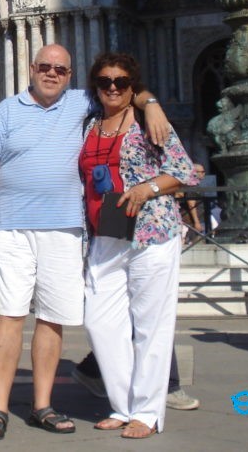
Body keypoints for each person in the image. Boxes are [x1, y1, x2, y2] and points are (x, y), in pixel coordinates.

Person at [0, 43, 168, 440]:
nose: (51, 74)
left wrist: (152, 104)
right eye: (45, 67)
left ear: (70, 76)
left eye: (60, 70)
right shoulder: (6, 111)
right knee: (9, 315)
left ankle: (42, 405)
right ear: (31, 68)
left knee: (52, 317)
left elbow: (123, 88)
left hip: (65, 229)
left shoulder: (83, 102)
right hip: (11, 229)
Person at [80, 52, 197, 438]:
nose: (113, 87)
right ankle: (121, 403)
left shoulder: (148, 122)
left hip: (151, 232)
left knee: (151, 325)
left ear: (133, 86)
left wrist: (146, 189)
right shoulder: (88, 124)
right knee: (100, 321)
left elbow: (182, 170)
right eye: (105, 81)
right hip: (105, 234)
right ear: (95, 85)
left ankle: (145, 412)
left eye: (122, 82)